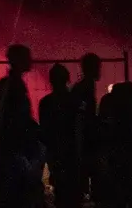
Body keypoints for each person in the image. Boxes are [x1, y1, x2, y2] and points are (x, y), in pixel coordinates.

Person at [0, 44, 41, 208]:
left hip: (8, 152)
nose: (30, 61)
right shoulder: (13, 86)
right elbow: (15, 120)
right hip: (13, 153)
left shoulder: (9, 84)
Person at [40, 63, 82, 208]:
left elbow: (45, 132)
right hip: (74, 154)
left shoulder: (46, 103)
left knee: (61, 195)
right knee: (74, 196)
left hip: (56, 155)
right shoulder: (74, 101)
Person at [77, 54, 104, 205]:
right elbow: (82, 118)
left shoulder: (85, 86)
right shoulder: (86, 87)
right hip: (87, 144)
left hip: (86, 143)